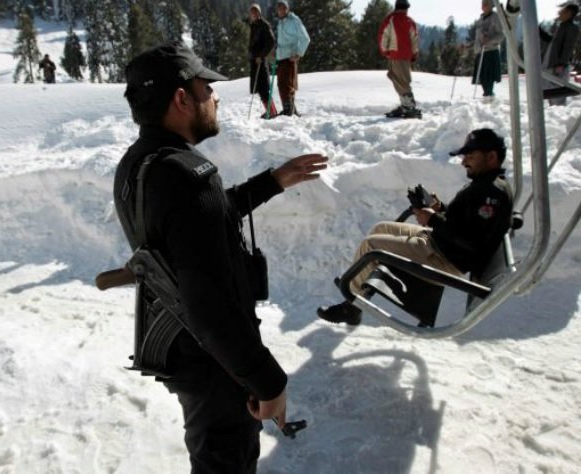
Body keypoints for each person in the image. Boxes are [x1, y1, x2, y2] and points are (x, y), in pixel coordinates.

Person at [114, 41, 327, 473]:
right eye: (205, 89)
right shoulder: (188, 176)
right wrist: (267, 381)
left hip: (183, 349)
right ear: (181, 99)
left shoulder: (139, 164)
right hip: (214, 361)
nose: (214, 97)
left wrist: (272, 181)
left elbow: (195, 224)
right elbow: (209, 304)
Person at [317, 129, 513, 325]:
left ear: (491, 156)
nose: (463, 162)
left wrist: (433, 219)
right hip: (440, 245)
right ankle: (358, 287)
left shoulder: (491, 194)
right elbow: (465, 223)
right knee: (380, 228)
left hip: (444, 258)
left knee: (372, 245)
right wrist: (439, 208)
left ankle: (351, 305)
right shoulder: (485, 184)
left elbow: (470, 242)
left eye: (470, 156)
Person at [378, 0, 421, 119]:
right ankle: (406, 104)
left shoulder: (390, 19)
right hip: (406, 55)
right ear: (405, 8)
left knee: (399, 79)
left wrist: (384, 51)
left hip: (394, 53)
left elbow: (383, 36)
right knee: (399, 78)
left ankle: (409, 106)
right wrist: (414, 54)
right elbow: (414, 39)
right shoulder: (409, 21)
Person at [540, 1, 580, 106]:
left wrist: (562, 63)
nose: (559, 13)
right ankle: (554, 111)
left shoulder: (572, 28)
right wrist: (540, 32)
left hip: (558, 65)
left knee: (557, 91)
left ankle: (560, 112)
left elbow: (568, 47)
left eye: (562, 11)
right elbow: (553, 40)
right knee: (547, 89)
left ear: (569, 13)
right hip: (550, 62)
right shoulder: (561, 26)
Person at [275, 0, 310, 116]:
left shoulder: (294, 21)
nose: (280, 10)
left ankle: (288, 110)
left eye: (283, 7)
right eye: (279, 8)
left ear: (287, 9)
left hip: (290, 57)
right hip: (281, 58)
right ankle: (291, 109)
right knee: (286, 84)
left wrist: (299, 53)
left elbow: (305, 38)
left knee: (285, 84)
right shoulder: (280, 22)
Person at [249, 3, 278, 119]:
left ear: (259, 13)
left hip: (260, 60)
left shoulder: (264, 25)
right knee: (261, 89)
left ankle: (272, 112)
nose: (254, 14)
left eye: (256, 11)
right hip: (255, 61)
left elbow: (271, 41)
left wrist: (261, 56)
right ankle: (270, 111)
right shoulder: (254, 25)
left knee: (264, 87)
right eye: (252, 12)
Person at [473, 0, 505, 101]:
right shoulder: (480, 19)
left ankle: (489, 97)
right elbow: (477, 37)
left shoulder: (495, 17)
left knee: (488, 78)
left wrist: (490, 40)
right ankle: (487, 97)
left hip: (490, 51)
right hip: (480, 51)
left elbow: (501, 35)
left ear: (491, 5)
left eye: (486, 3)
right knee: (482, 78)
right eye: (483, 3)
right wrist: (468, 46)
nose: (484, 5)